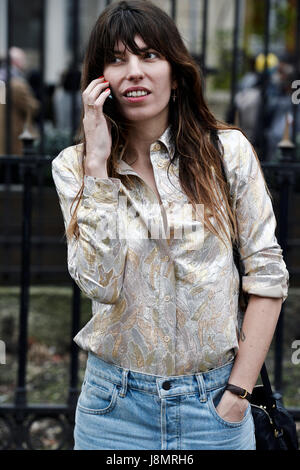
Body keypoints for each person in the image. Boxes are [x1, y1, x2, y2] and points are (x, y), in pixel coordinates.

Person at [51, 0, 289, 450]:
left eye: (149, 55)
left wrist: (237, 396)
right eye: (117, 59)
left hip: (215, 406)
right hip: (113, 411)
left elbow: (268, 273)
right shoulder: (74, 167)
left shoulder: (227, 153)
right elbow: (100, 283)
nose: (133, 71)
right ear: (99, 80)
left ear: (176, 76)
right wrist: (98, 166)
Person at [0, 47, 39, 155]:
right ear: (15, 62)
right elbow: (32, 107)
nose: (25, 63)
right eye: (23, 59)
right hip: (15, 137)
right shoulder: (17, 84)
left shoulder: (2, 80)